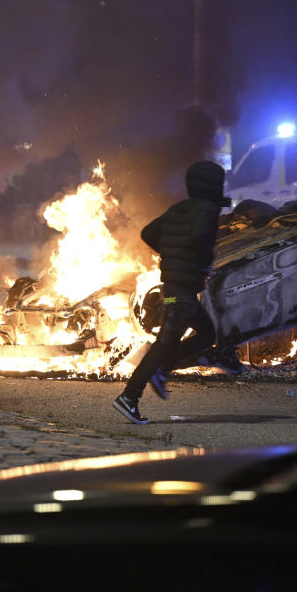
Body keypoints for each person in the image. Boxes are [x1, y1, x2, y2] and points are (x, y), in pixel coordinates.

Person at [113, 160, 229, 424]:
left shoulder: (181, 208)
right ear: (213, 185)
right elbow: (200, 237)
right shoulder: (207, 210)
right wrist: (201, 262)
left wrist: (171, 254)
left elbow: (148, 232)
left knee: (207, 334)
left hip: (175, 287)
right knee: (163, 346)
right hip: (183, 291)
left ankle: (161, 368)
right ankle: (130, 396)